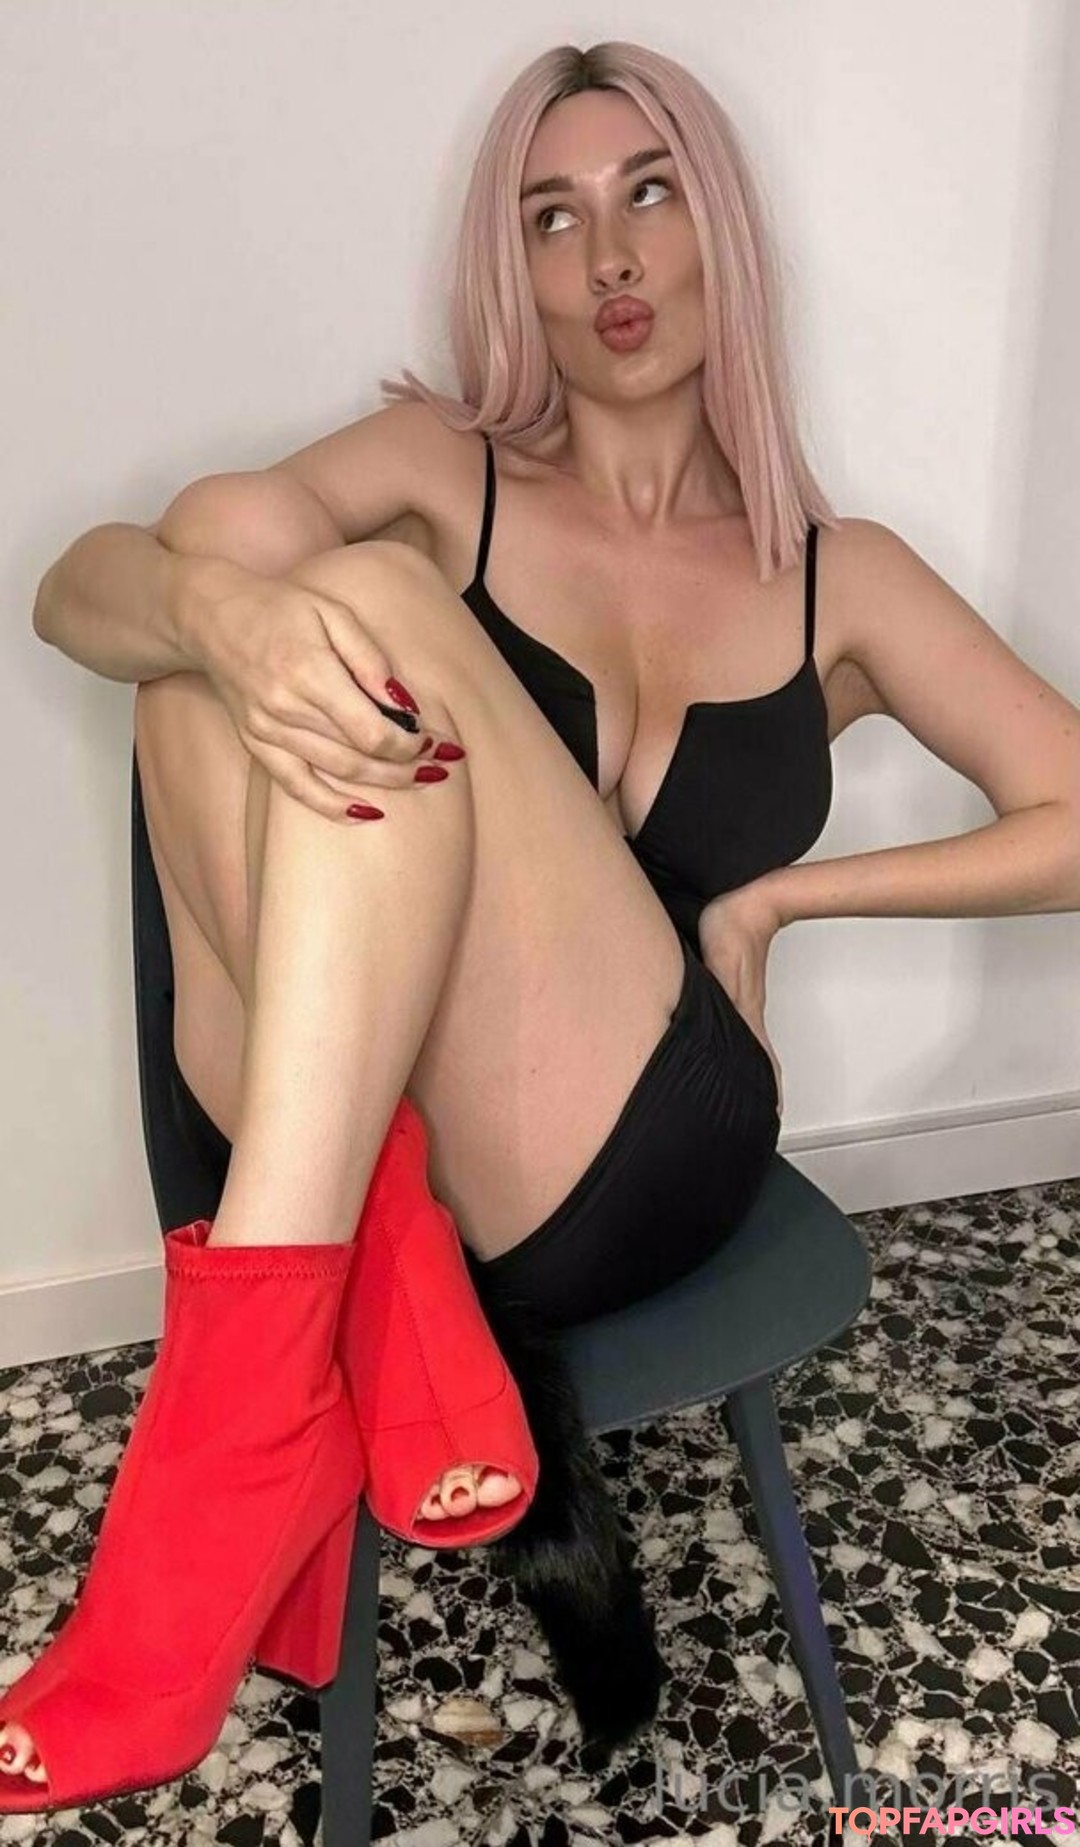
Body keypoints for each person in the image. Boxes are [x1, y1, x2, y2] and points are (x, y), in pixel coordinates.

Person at [4, 36, 1079, 1817]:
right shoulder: (454, 469)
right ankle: (367, 1292)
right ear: (514, 269)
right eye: (552, 218)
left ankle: (238, 1433)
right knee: (221, 597)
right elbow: (76, 593)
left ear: (720, 226)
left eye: (650, 193)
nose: (610, 258)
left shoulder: (844, 574)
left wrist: (787, 898)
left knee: (347, 591)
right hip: (377, 1109)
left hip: (649, 1139)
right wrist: (218, 618)